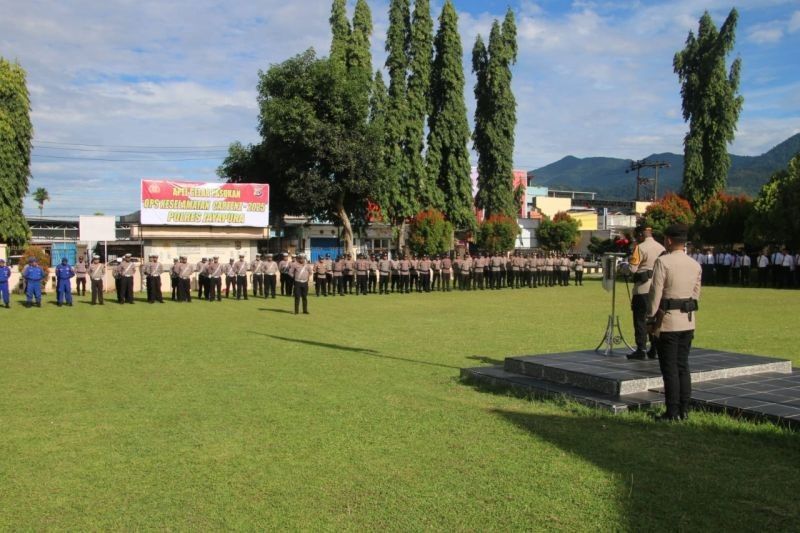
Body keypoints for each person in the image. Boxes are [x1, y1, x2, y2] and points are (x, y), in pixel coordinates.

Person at [647, 223, 702, 422]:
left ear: (669, 240)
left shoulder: (664, 262)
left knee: (669, 369)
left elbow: (655, 294)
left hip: (668, 322)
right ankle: (684, 409)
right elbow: (696, 295)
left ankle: (672, 411)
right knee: (682, 367)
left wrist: (650, 318)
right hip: (687, 322)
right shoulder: (695, 264)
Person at [627, 226, 666, 360]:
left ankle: (641, 349)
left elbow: (632, 269)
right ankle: (654, 349)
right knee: (654, 319)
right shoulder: (662, 248)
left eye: (636, 236)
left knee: (640, 319)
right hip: (658, 289)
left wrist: (624, 267)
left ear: (641, 235)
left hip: (642, 288)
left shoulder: (640, 247)